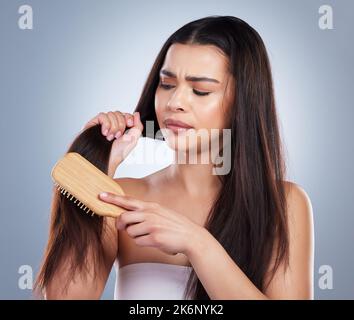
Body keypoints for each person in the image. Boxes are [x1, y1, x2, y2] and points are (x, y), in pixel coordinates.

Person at [40, 15, 314, 300]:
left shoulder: (284, 205)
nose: (174, 103)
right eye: (167, 84)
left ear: (242, 102)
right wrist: (91, 173)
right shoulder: (119, 198)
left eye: (200, 90)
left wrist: (198, 244)